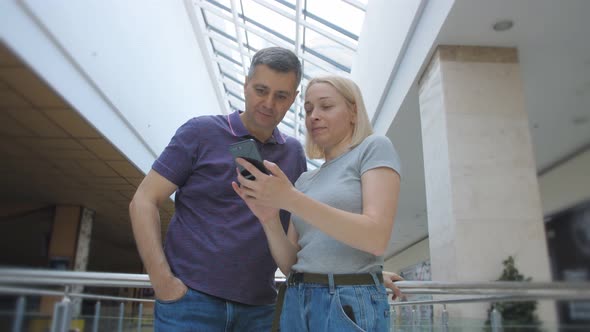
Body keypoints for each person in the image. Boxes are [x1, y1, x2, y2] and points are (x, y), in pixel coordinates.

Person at [129, 47, 307, 331]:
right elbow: (144, 200)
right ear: (246, 84)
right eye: (261, 90)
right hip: (188, 304)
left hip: (259, 310)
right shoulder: (200, 132)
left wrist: (360, 273)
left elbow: (306, 229)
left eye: (281, 96)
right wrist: (162, 280)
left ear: (293, 99)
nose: (269, 103)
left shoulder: (294, 154)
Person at [233, 75, 402, 331]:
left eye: (326, 106)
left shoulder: (374, 147)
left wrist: (291, 199)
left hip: (344, 302)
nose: (313, 116)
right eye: (309, 109)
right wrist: (268, 218)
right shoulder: (304, 180)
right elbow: (291, 264)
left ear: (354, 111)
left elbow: (376, 237)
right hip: (297, 297)